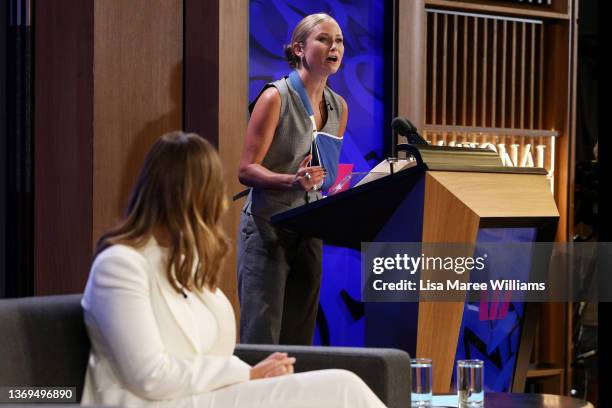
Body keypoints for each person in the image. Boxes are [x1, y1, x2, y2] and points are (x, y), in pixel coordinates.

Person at [80, 131, 385, 407]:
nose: (221, 205)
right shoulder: (120, 265)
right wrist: (246, 374)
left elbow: (212, 353)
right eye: (212, 193)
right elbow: (149, 375)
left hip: (206, 397)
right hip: (155, 403)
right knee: (341, 388)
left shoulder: (189, 265)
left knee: (340, 388)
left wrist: (257, 375)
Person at [237, 13, 348, 345]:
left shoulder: (339, 106)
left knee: (299, 342)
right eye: (324, 39)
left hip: (309, 230)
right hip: (267, 228)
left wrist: (346, 184)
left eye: (339, 40)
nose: (335, 47)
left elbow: (325, 172)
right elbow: (246, 169)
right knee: (263, 338)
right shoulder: (276, 97)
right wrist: (290, 181)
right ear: (299, 48)